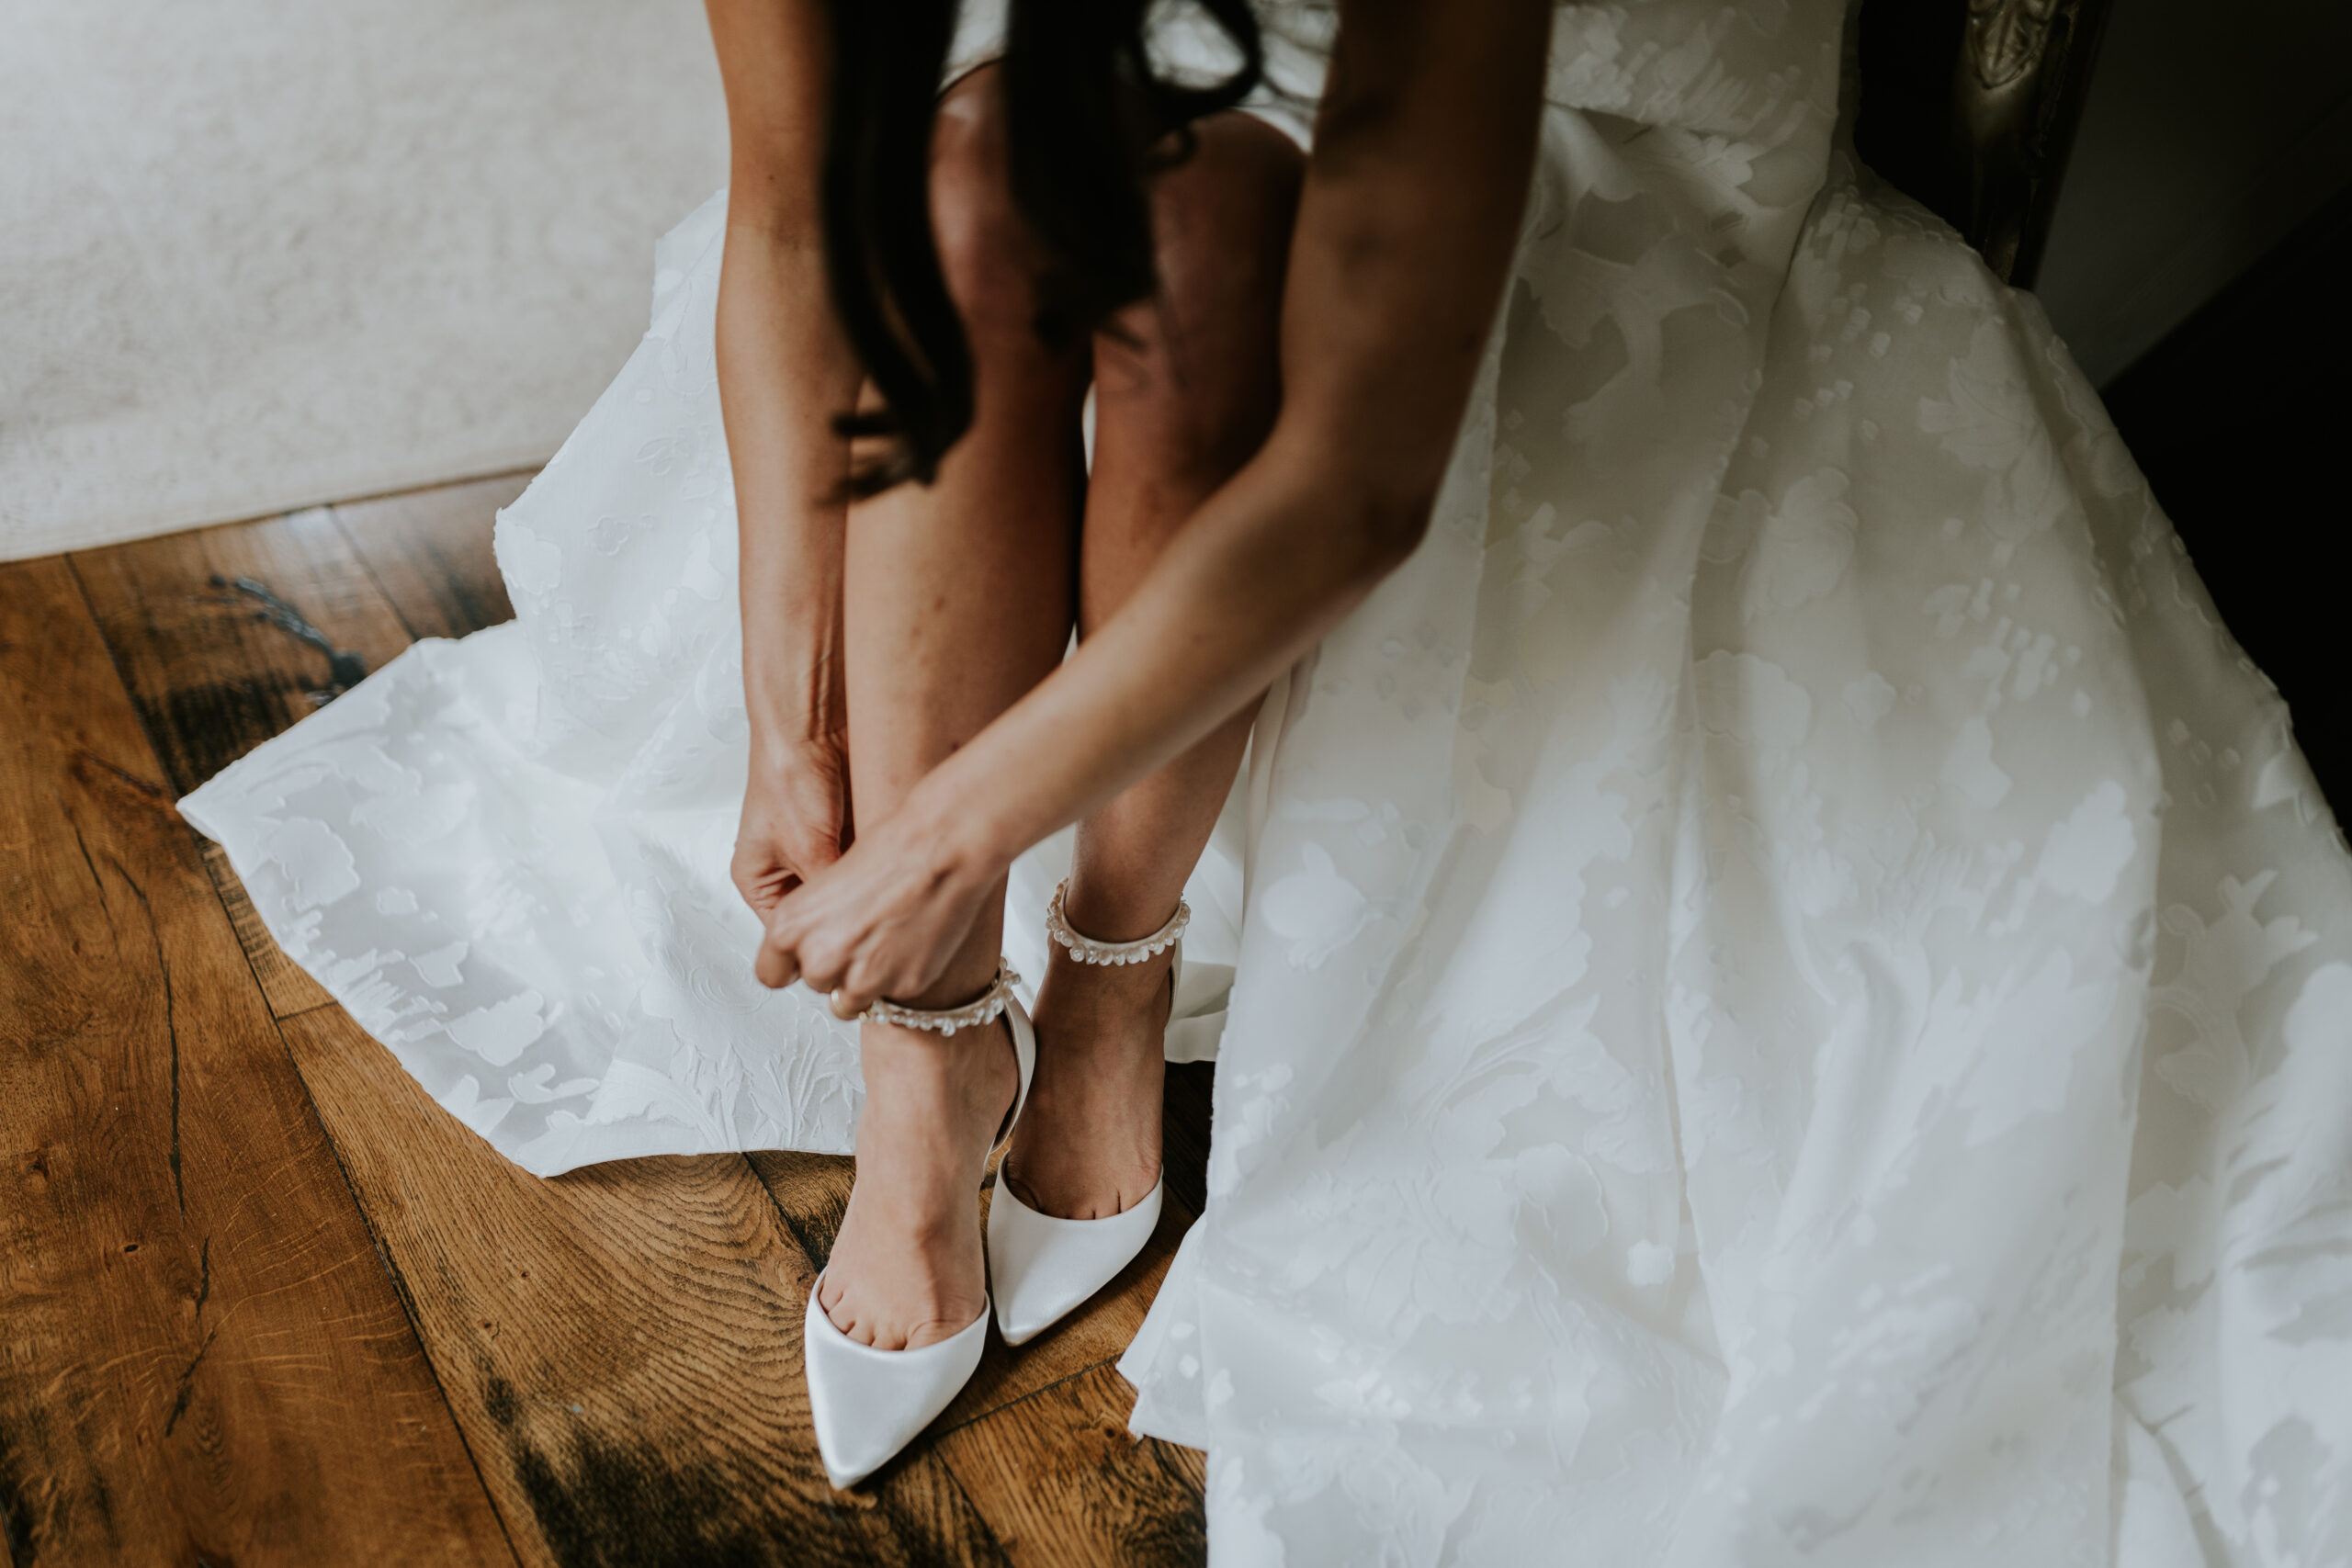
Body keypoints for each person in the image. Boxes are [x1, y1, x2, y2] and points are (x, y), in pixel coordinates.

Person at [183, 0, 2352, 1558]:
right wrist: (797, 728)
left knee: (1204, 258)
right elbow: (785, 226)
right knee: (959, 191)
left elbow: (1356, 486)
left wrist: (951, 836)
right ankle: (926, 1070)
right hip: (1111, 69)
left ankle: (1106, 965)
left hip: (1576, 91)